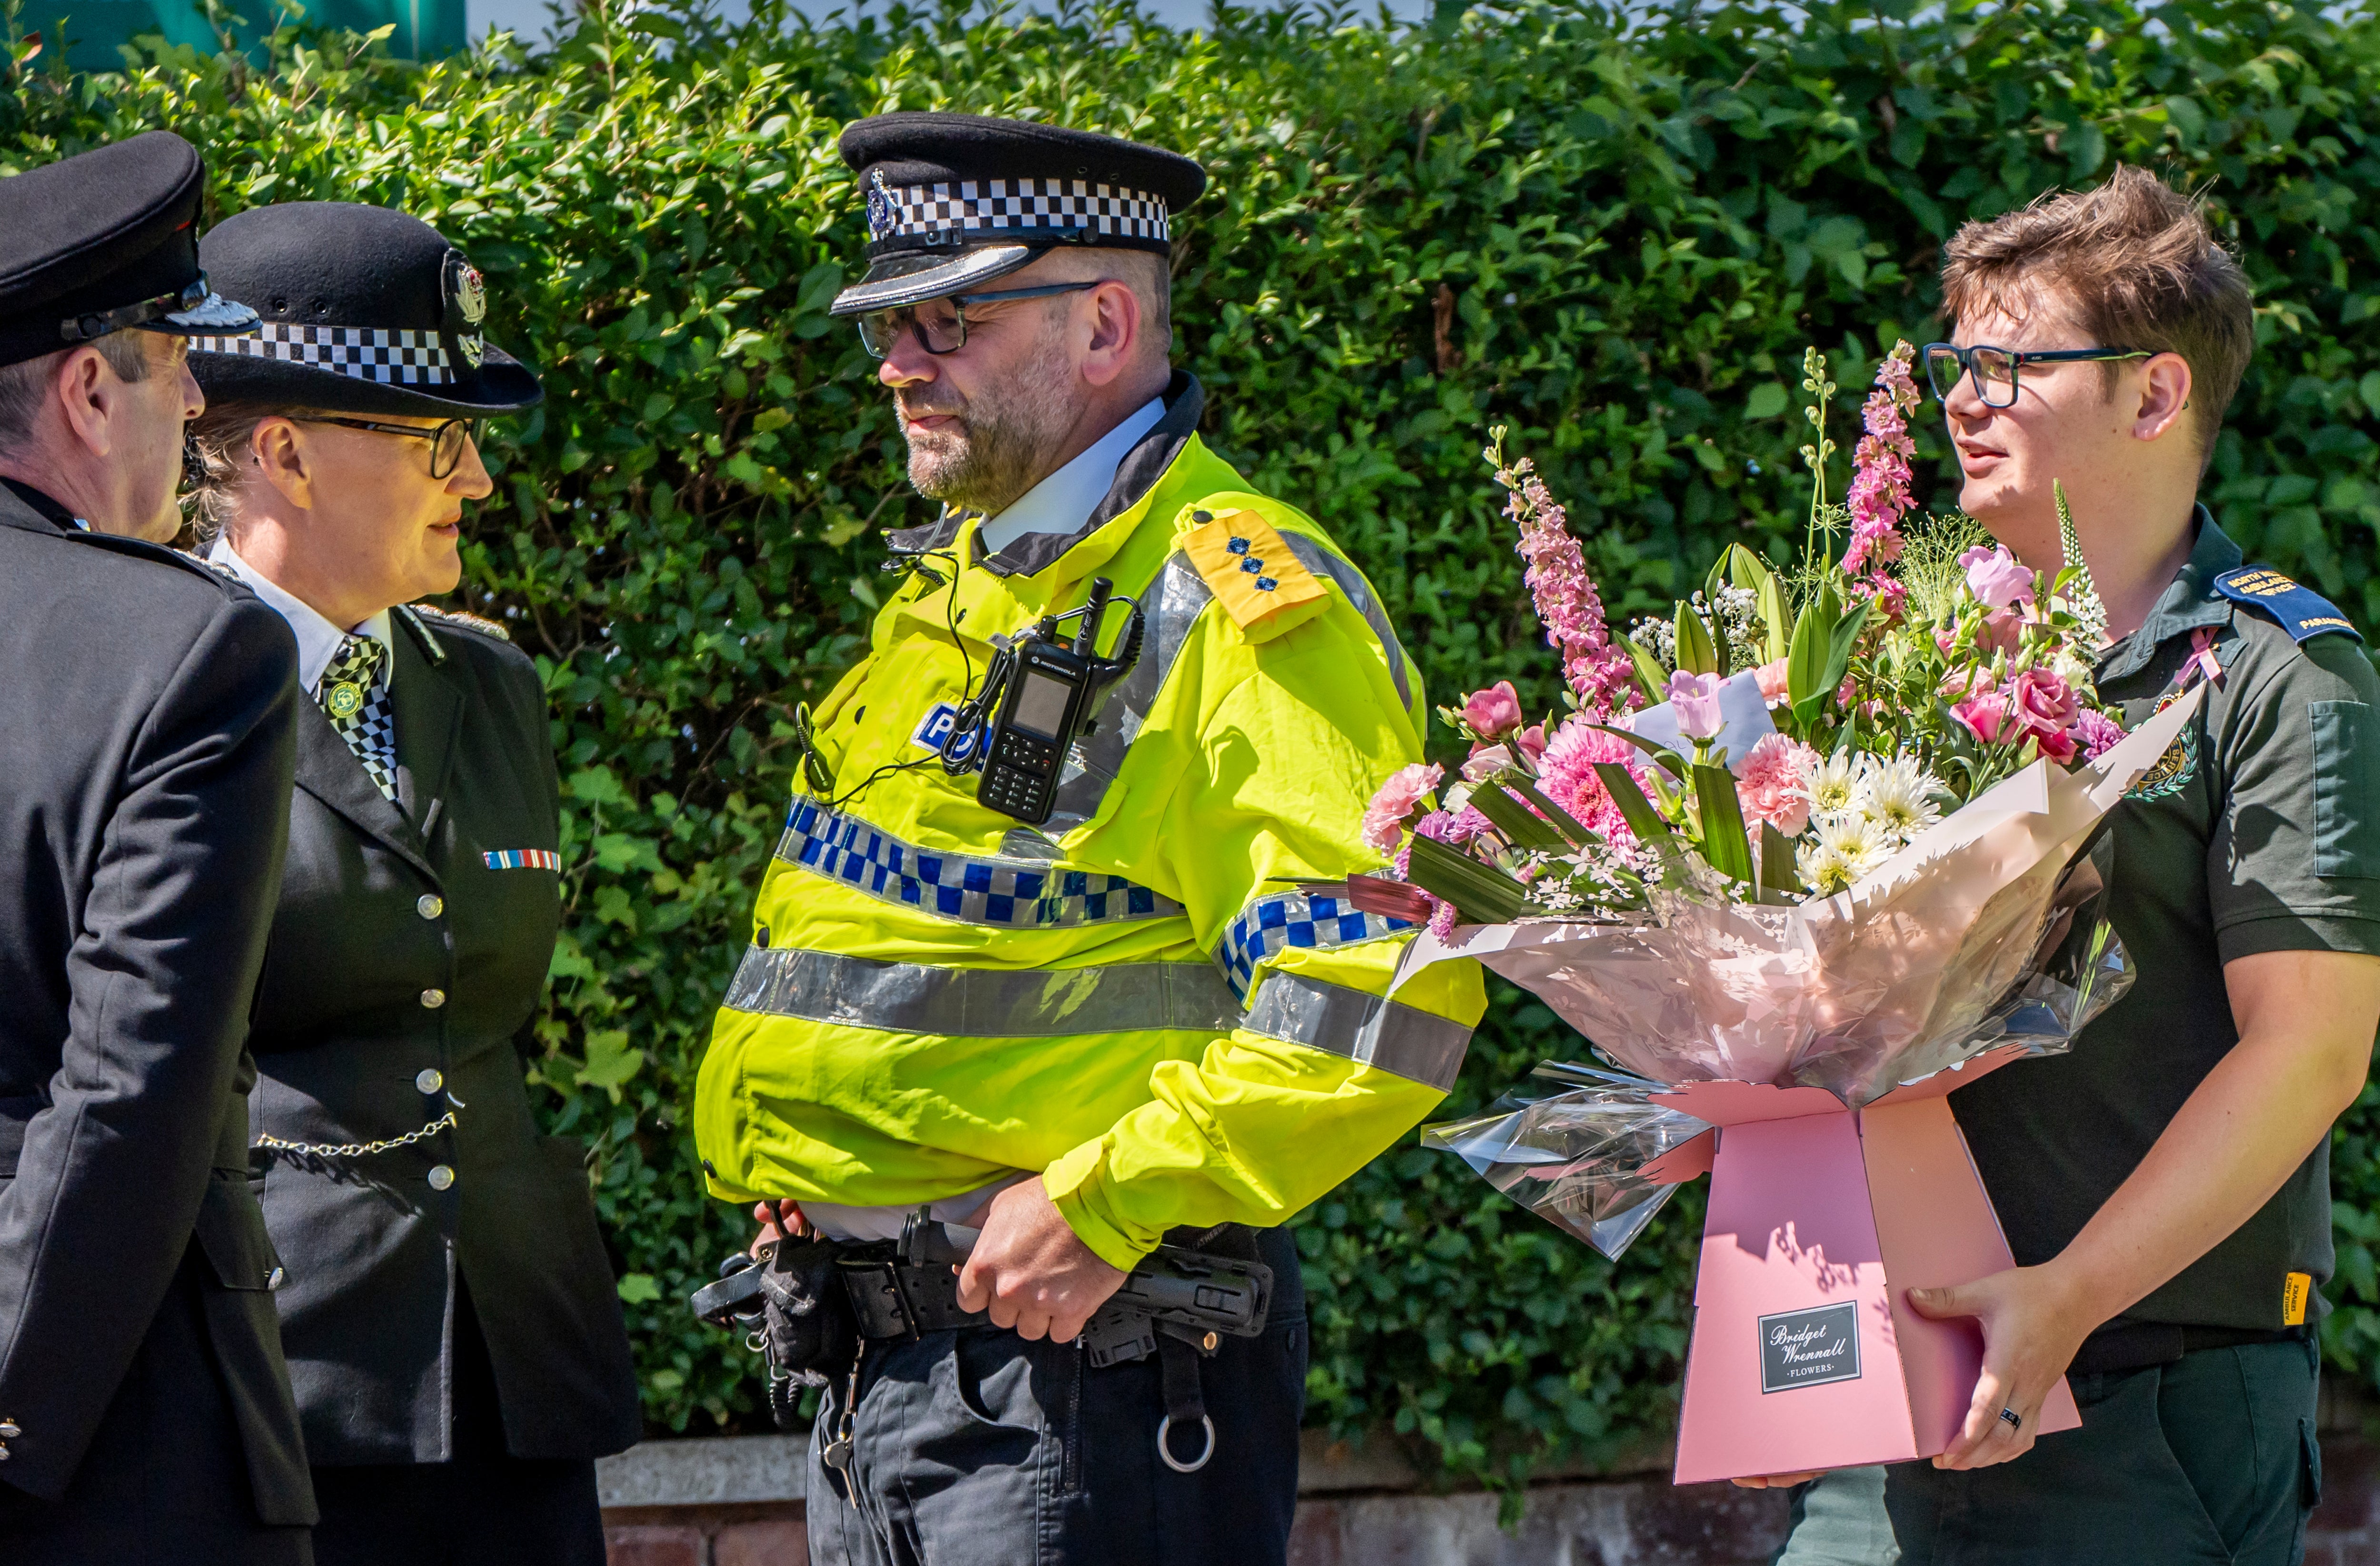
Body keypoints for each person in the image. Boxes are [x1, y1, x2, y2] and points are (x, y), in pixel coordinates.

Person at [693, 111, 1486, 1566]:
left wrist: (1113, 1196)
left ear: (1108, 323)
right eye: (889, 321)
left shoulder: (1243, 600)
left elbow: (1383, 991)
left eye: (948, 320)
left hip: (1083, 1383)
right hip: (888, 1376)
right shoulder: (967, 585)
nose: (895, 362)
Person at [1769, 168, 2380, 1565]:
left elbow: (2312, 1049)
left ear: (2155, 397)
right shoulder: (1890, 671)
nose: (1962, 400)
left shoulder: (2280, 675)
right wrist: (1773, 1345)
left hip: (2143, 1408)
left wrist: (2066, 1296)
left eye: (2008, 364)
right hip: (1889, 1410)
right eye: (1953, 365)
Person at [180, 201, 643, 1566]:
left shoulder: (489, 683)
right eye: (442, 438)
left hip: (516, 1370)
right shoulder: (162, 679)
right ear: (285, 454)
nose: (480, 478)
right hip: (280, 1370)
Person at [0, 132, 318, 1562]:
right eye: (172, 361)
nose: (196, 402)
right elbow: (131, 1092)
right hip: (104, 1451)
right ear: (84, 389)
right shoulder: (189, 647)